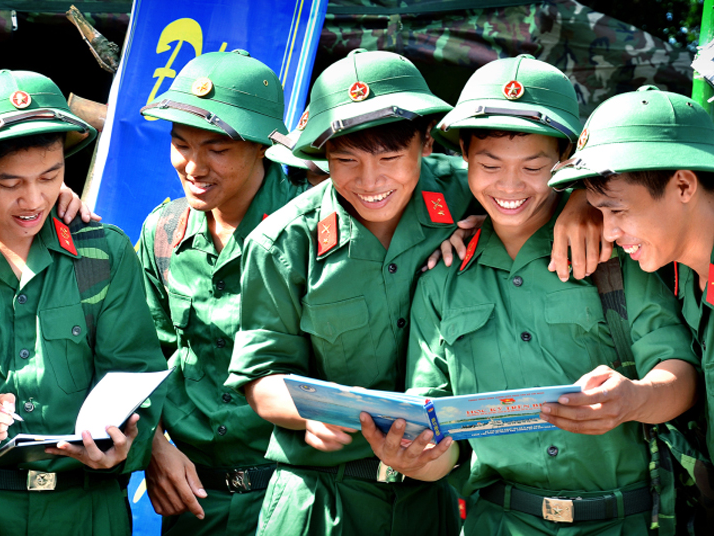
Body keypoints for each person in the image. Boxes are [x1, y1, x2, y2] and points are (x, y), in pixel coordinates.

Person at [226, 49, 606, 536]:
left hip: (429, 497)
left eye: (390, 158)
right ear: (322, 157)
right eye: (346, 161)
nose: (370, 181)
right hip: (323, 498)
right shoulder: (283, 243)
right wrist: (307, 415)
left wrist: (580, 203)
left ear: (427, 141)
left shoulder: (465, 187)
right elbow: (261, 376)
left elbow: (534, 180)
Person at [360, 56, 699, 536]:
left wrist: (634, 400)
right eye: (489, 165)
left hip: (623, 522)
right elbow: (438, 435)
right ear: (464, 155)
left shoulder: (616, 251)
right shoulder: (442, 278)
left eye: (535, 166)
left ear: (566, 157)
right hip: (498, 522)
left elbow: (680, 373)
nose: (510, 185)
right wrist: (414, 457)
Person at [0, 69, 166, 536]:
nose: (33, 199)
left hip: (86, 510)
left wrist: (125, 445)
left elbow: (138, 375)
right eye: (10, 183)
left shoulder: (104, 254)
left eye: (50, 176)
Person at [548, 85, 714, 531]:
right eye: (599, 212)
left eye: (617, 211)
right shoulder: (684, 270)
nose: (608, 232)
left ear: (684, 185)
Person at [136, 50, 304, 536]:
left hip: (292, 497)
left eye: (217, 149)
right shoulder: (163, 232)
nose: (193, 165)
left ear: (263, 146)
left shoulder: (312, 227)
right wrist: (154, 445)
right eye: (180, 143)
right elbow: (142, 360)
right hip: (195, 504)